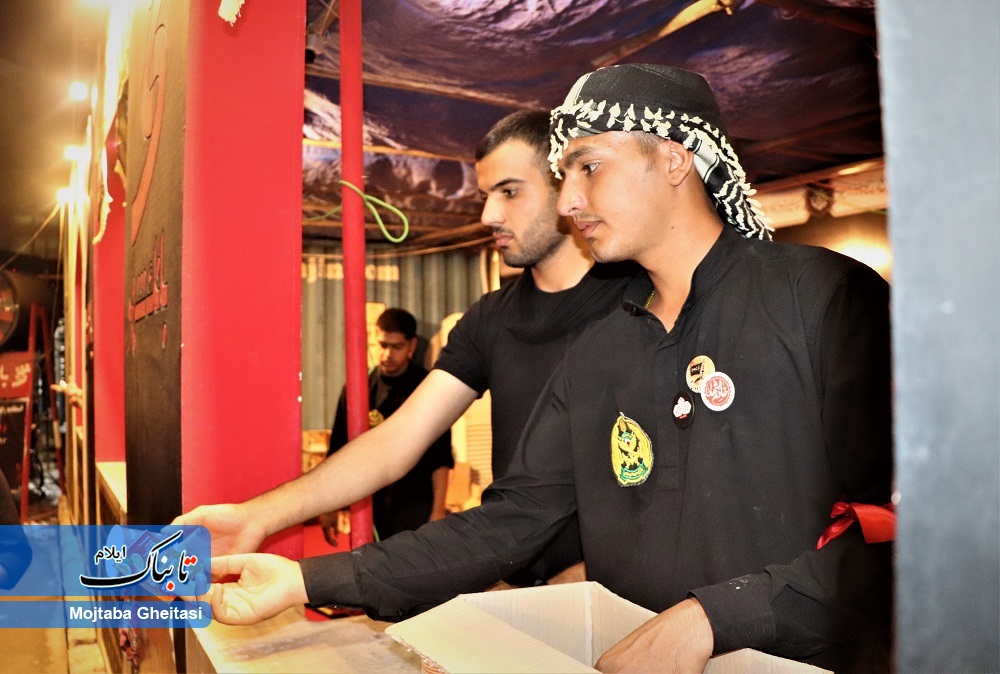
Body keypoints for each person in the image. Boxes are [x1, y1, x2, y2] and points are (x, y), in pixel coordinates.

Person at [205, 64, 893, 673]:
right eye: (564, 177)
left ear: (675, 158)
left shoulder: (822, 299)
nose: (568, 202)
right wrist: (305, 580)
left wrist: (713, 618)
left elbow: (904, 530)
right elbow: (506, 524)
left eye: (589, 168)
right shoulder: (598, 351)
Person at [174, 110, 634, 584]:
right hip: (520, 587)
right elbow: (395, 441)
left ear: (566, 190)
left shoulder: (639, 302)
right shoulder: (489, 320)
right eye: (485, 196)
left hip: (621, 594)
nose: (488, 216)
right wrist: (257, 516)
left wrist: (595, 572)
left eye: (510, 192)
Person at [324, 308, 453, 539]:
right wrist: (329, 508)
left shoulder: (428, 389)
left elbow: (440, 459)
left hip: (416, 507)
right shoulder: (357, 389)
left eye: (396, 347)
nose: (387, 354)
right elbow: (337, 448)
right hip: (368, 509)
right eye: (382, 345)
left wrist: (438, 511)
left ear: (412, 346)